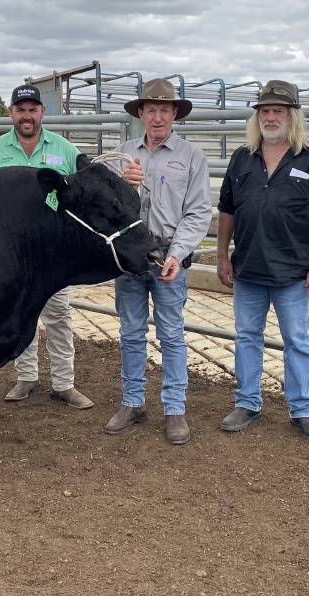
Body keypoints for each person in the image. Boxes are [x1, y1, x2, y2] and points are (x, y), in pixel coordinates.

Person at [215, 80, 309, 442]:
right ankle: (248, 402)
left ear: (292, 116)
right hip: (249, 267)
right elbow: (227, 210)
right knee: (247, 337)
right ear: (258, 117)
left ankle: (302, 408)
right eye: (265, 111)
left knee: (297, 340)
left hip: (292, 271)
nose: (271, 117)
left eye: (278, 111)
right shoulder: (243, 157)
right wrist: (222, 255)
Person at [103, 78, 212, 445]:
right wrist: (126, 187)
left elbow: (198, 213)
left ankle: (174, 408)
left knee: (171, 333)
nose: (158, 116)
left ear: (174, 114)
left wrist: (178, 254)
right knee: (130, 331)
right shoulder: (123, 154)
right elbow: (110, 210)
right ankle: (133, 402)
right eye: (151, 109)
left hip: (167, 254)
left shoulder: (192, 157)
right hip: (131, 258)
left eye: (165, 109)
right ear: (141, 114)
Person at [0, 84, 94, 410]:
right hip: (11, 253)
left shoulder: (64, 150)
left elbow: (81, 195)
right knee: (19, 314)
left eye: (33, 109)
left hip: (52, 252)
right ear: (11, 113)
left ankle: (64, 383)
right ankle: (26, 377)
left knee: (58, 315)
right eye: (21, 109)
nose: (27, 115)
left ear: (42, 112)